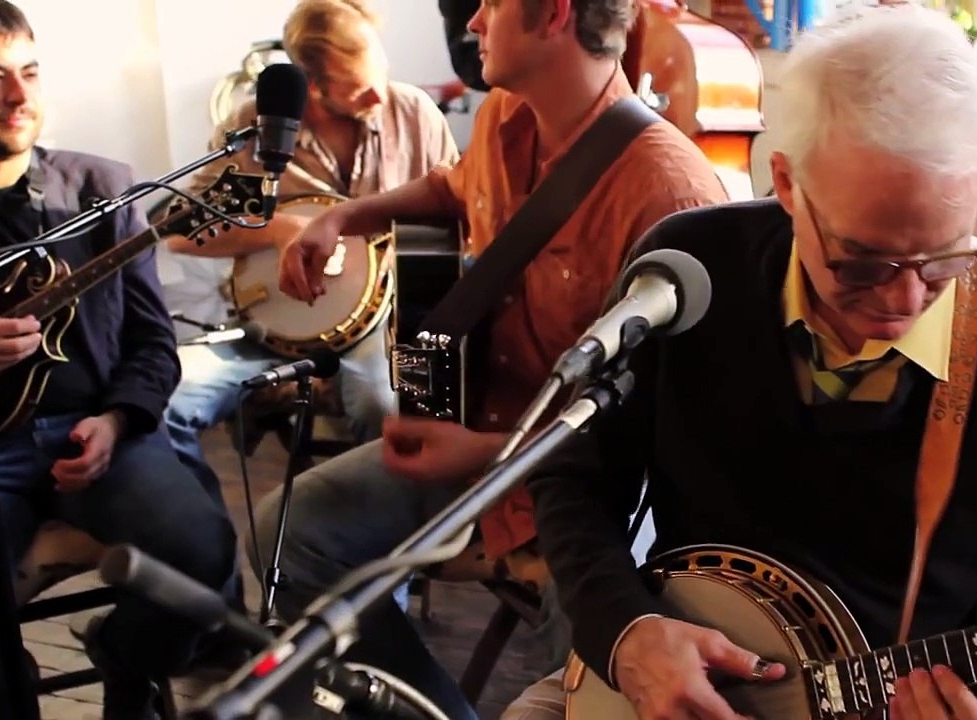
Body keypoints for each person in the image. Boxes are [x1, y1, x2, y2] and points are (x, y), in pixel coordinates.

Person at [505, 5, 977, 720]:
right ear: (788, 185)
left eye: (945, 256)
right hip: (665, 685)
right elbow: (574, 478)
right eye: (862, 262)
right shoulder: (692, 273)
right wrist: (627, 633)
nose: (904, 298)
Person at [252, 0, 730, 718]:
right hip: (479, 454)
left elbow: (668, 441)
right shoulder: (508, 116)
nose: (472, 21)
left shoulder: (668, 194)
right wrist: (345, 216)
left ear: (554, 15)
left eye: (492, 5)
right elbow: (453, 189)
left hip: (585, 508)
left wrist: (481, 451)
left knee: (600, 691)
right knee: (288, 539)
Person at [0, 1, 236, 718]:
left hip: (98, 438)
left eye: (30, 73)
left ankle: (126, 660)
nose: (19, 96)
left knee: (205, 556)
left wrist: (116, 419)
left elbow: (152, 343)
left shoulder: (104, 190)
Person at [160, 0, 460, 510]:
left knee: (385, 403)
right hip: (271, 329)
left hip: (377, 328)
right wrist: (280, 230)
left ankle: (380, 569)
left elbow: (459, 215)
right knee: (169, 399)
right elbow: (178, 229)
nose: (378, 93)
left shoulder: (412, 114)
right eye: (359, 86)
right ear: (313, 86)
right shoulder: (256, 128)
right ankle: (204, 557)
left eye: (380, 74)